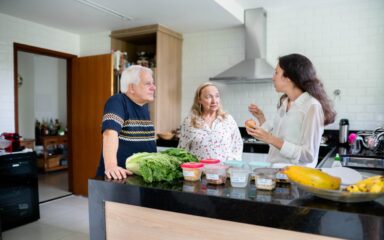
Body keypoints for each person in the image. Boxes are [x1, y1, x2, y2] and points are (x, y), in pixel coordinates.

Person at [246, 54, 336, 168]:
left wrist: (270, 138)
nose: (273, 77)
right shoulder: (284, 103)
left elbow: (308, 155)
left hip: (297, 177)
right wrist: (260, 119)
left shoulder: (312, 106)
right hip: (277, 173)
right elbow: (275, 141)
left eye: (276, 73)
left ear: (289, 77)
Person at [96, 65, 157, 179]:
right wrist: (111, 165)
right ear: (132, 88)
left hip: (139, 178)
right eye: (148, 83)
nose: (154, 87)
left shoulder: (143, 106)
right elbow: (110, 133)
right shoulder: (118, 101)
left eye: (153, 83)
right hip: (119, 177)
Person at [178, 82, 243, 161]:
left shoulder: (228, 119)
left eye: (217, 96)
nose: (214, 101)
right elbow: (182, 149)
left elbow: (238, 145)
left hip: (224, 172)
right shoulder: (189, 121)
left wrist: (232, 165)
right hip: (199, 172)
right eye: (209, 97)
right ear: (199, 100)